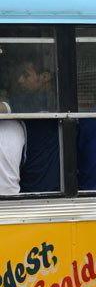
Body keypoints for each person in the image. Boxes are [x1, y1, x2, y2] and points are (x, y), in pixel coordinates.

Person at [15, 58, 59, 192]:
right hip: (51, 186)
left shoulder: (27, 102)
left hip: (36, 187)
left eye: (26, 75)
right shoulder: (58, 101)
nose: (20, 80)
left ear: (45, 77)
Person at [0, 97, 25, 195]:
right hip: (11, 194)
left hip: (10, 194)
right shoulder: (19, 125)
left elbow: (6, 107)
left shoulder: (17, 125)